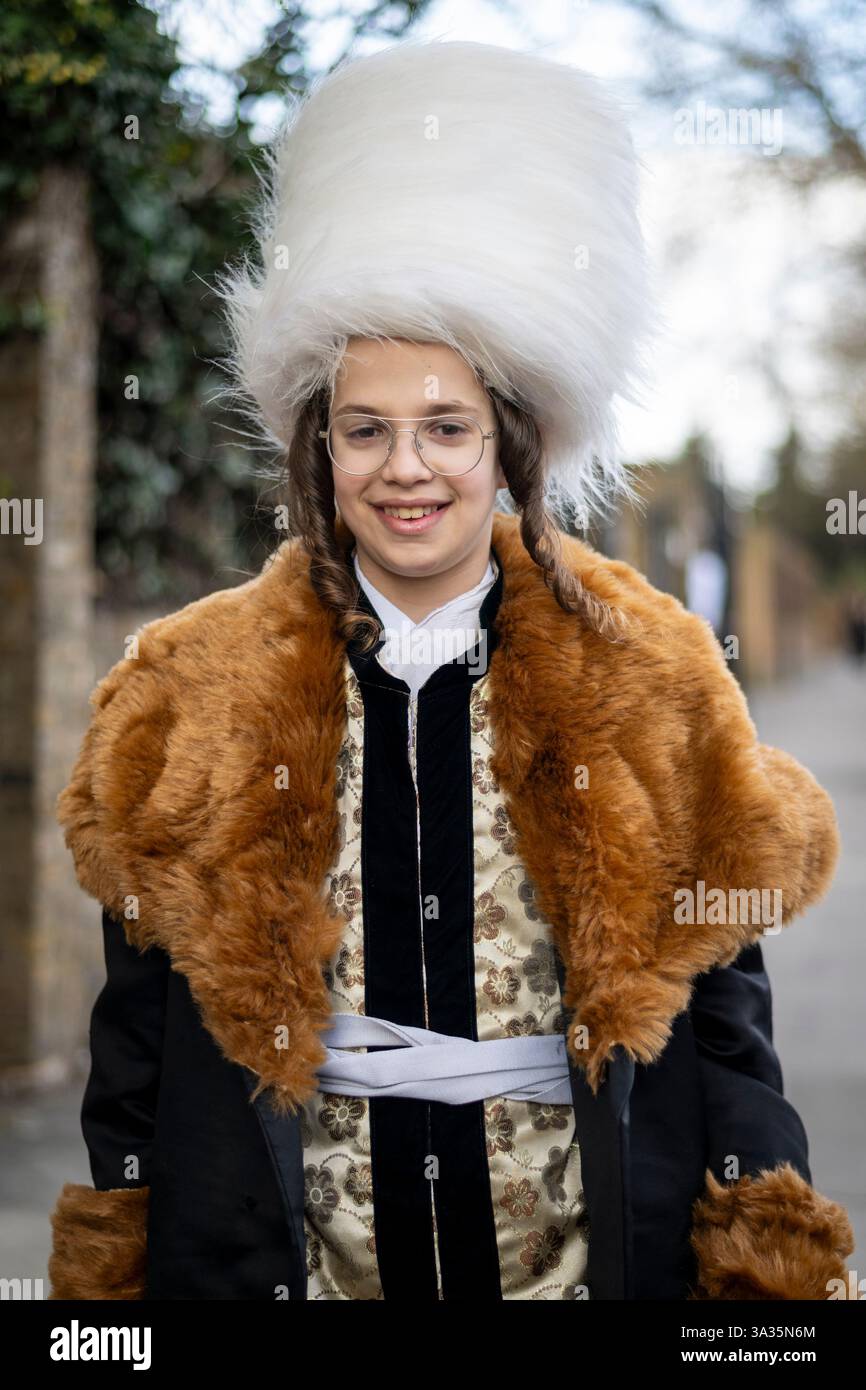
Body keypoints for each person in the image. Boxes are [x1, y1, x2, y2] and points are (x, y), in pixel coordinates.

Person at [47, 39, 854, 1301]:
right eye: (365, 430)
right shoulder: (189, 692)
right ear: (319, 450)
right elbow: (135, 1056)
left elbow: (723, 1030)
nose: (405, 468)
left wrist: (763, 1271)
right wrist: (113, 1287)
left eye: (445, 428)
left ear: (506, 446)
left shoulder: (649, 678)